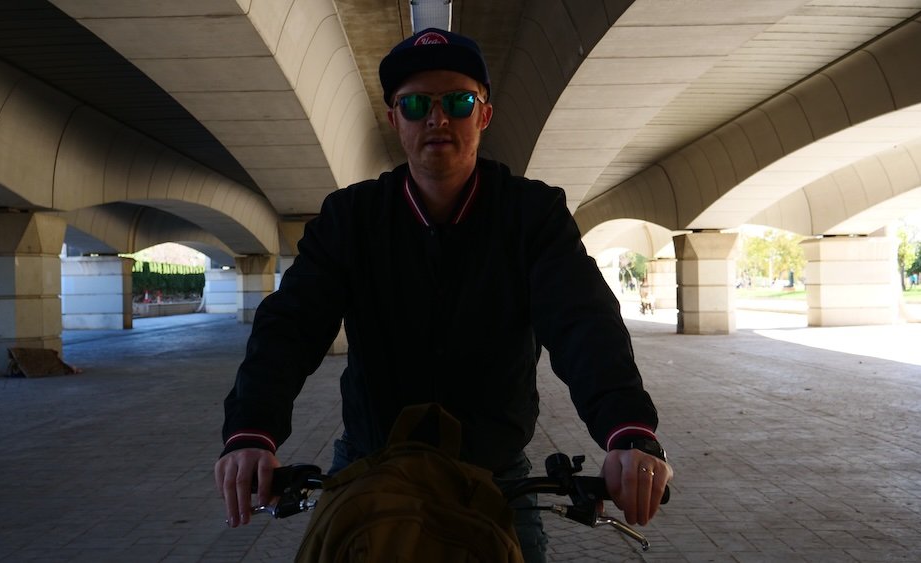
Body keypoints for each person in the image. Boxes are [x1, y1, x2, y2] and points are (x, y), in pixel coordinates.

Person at [214, 28, 673, 561]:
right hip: (370, 464)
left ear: (484, 115)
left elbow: (582, 322)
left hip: (494, 473)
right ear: (394, 121)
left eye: (458, 101)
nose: (437, 119)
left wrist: (628, 431)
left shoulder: (532, 215)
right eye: (415, 104)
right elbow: (290, 326)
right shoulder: (351, 218)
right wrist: (251, 432)